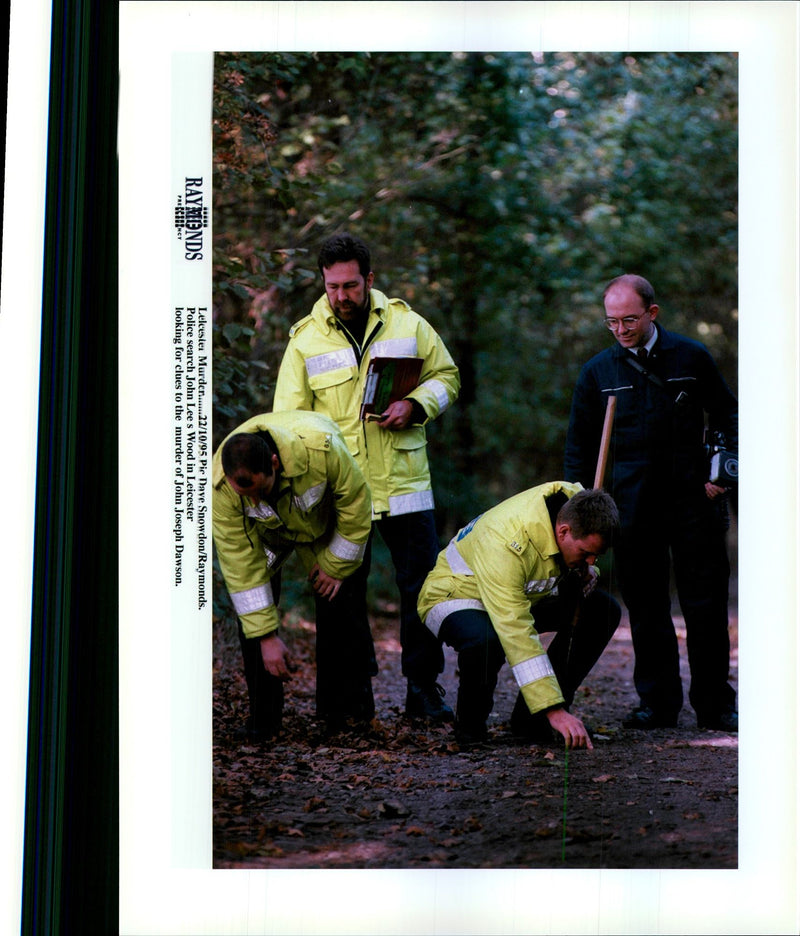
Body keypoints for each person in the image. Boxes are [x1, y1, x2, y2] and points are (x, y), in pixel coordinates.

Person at [273, 232, 460, 722]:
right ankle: (348, 703)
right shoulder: (304, 340)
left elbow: (448, 377)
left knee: (421, 589)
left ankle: (423, 692)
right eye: (333, 286)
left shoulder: (409, 323)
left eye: (351, 285)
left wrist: (415, 404)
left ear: (369, 280)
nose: (341, 296)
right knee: (339, 592)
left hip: (405, 486)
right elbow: (287, 422)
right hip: (339, 492)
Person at [564, 273, 738, 732]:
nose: (620, 330)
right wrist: (581, 506)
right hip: (631, 508)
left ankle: (715, 705)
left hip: (693, 503)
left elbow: (729, 415)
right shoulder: (599, 371)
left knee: (705, 605)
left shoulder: (691, 357)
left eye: (629, 320)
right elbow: (578, 447)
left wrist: (723, 472)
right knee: (646, 607)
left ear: (652, 313)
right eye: (611, 322)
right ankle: (658, 705)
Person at [417, 483, 622, 749]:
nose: (592, 561)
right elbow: (515, 629)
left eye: (597, 555)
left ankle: (533, 721)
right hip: (454, 594)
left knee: (601, 611)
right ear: (563, 531)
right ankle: (470, 732)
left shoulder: (575, 504)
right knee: (486, 641)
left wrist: (578, 571)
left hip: (515, 594)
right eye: (585, 553)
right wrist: (553, 708)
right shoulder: (507, 543)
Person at [212, 410, 376, 739]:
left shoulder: (322, 450)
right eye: (247, 496)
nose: (254, 500)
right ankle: (263, 721)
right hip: (267, 537)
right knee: (253, 615)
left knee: (341, 605)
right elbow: (241, 566)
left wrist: (334, 566)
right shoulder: (221, 486)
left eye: (259, 489)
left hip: (326, 526)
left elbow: (357, 505)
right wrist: (267, 636)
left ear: (274, 463)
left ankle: (345, 716)